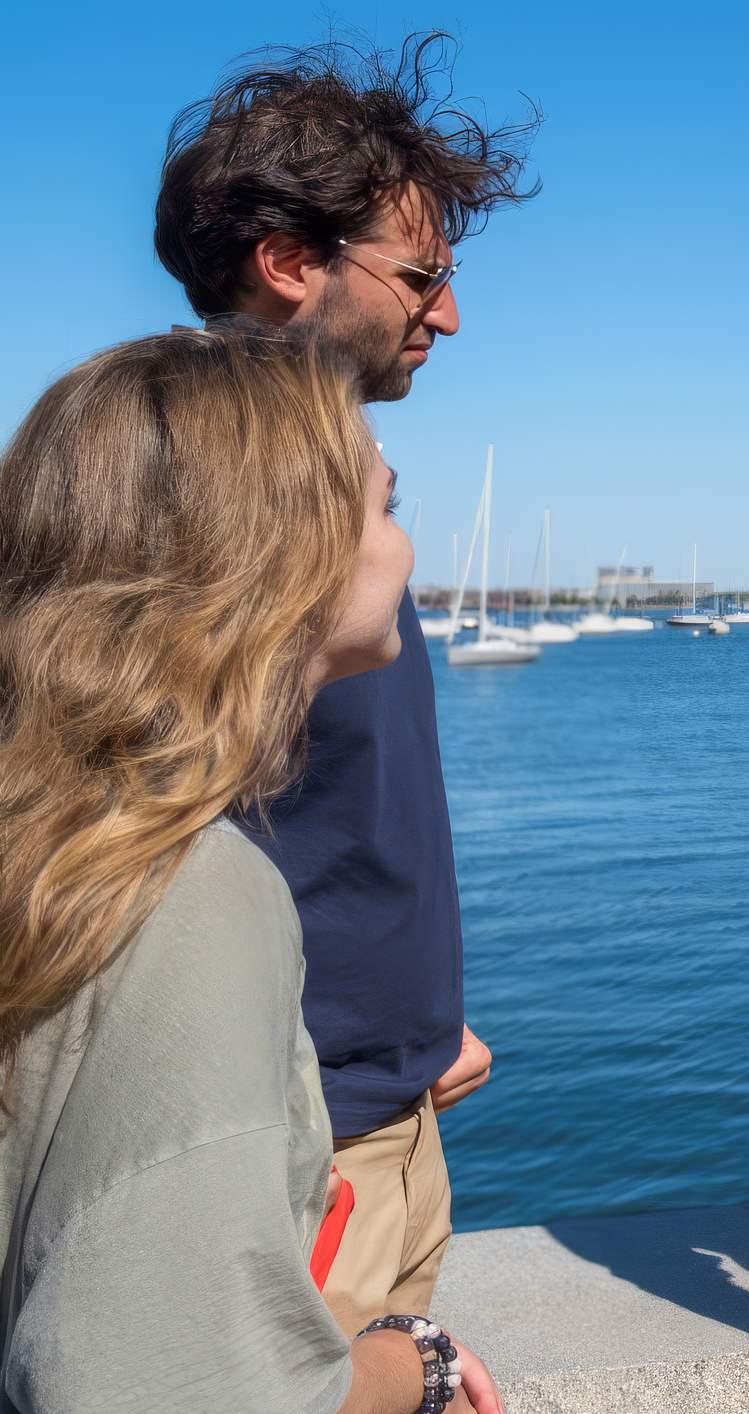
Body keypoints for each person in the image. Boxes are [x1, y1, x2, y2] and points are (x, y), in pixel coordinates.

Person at [0, 326, 501, 1411]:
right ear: (282, 552)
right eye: (386, 510)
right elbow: (173, 1383)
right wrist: (407, 1363)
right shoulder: (194, 892)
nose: (405, 554)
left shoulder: (57, 834)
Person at [151, 34, 537, 1335]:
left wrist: (415, 1029)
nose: (449, 312)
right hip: (297, 1149)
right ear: (290, 263)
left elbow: (316, 805)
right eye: (422, 275)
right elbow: (129, 838)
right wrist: (330, 1071)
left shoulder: (327, 482)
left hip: (384, 1107)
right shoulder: (198, 492)